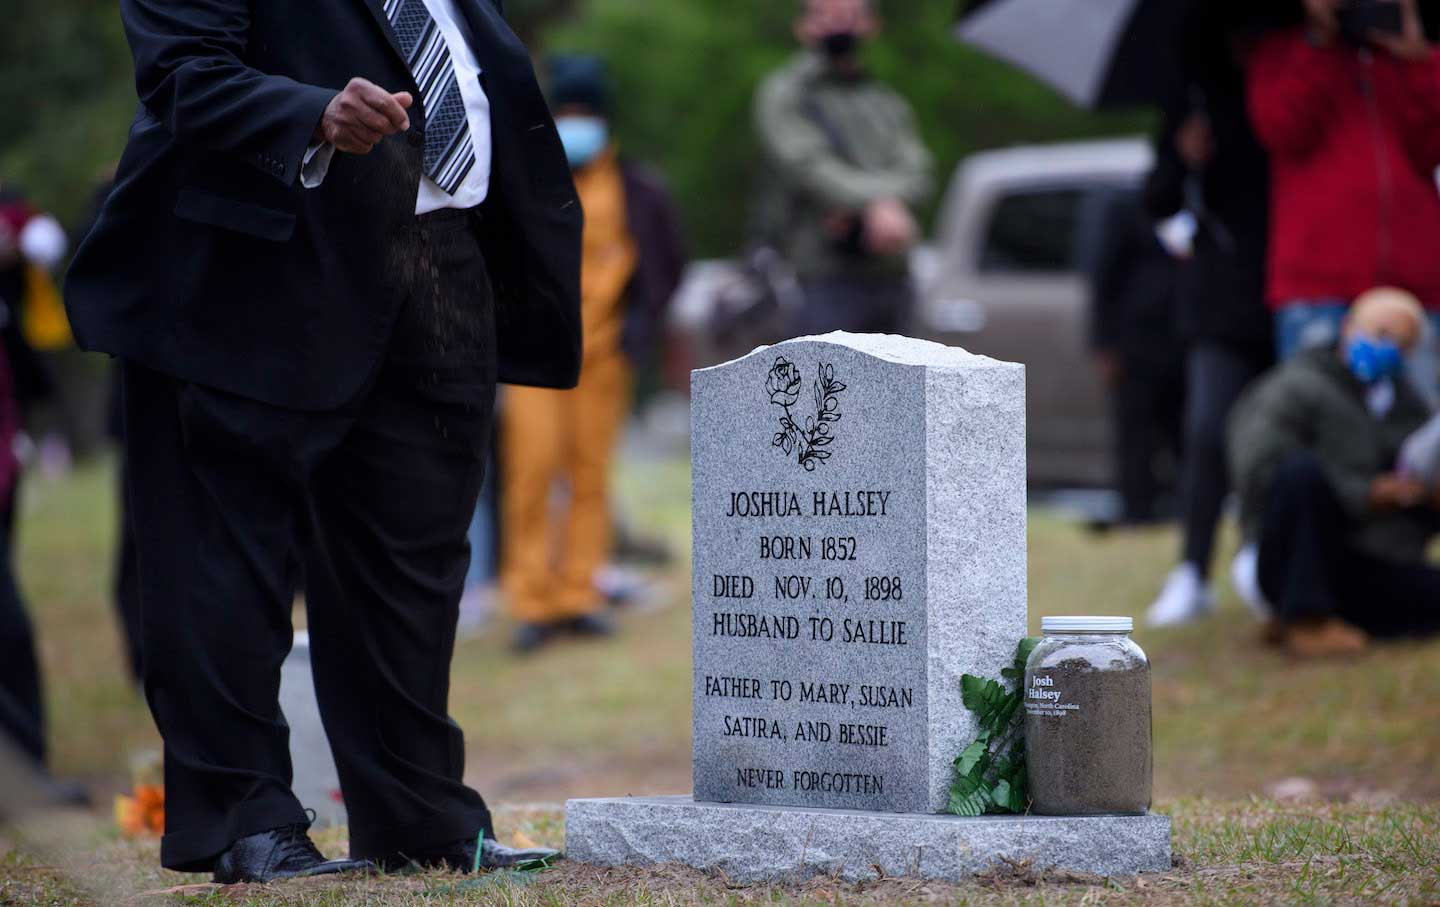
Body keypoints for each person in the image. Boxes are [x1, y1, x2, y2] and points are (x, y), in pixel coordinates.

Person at [64, 0, 576, 883]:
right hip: (256, 268)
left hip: (440, 259)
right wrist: (313, 113)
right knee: (223, 556)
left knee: (412, 560)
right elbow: (183, 70)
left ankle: (419, 818)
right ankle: (246, 822)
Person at [500, 55, 687, 653]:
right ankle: (532, 600)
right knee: (530, 474)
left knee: (589, 478)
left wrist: (637, 327)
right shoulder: (529, 175)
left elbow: (664, 265)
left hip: (604, 357)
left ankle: (580, 594)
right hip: (535, 353)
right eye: (568, 112)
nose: (576, 123)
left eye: (586, 113)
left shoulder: (635, 187)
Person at [1141, 1, 1278, 627]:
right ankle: (1193, 569)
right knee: (1206, 432)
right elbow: (1156, 197)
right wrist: (1183, 154)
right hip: (1221, 294)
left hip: (1293, 282)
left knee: (1278, 433)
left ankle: (1264, 559)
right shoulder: (1192, 95)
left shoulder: (1292, 75)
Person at [1229, 288, 1440, 658]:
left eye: (1401, 344)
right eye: (1381, 334)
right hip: (1293, 557)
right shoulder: (1294, 386)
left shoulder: (1411, 407)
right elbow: (1258, 470)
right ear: (1347, 327)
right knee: (1299, 473)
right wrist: (1367, 494)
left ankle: (1338, 619)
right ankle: (1304, 618)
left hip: (1370, 559)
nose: (1388, 348)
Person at [1248, 0, 1440, 398]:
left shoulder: (1395, 59)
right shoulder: (1280, 53)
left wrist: (1420, 58)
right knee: (1325, 420)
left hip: (1413, 288)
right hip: (1321, 288)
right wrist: (1319, 40)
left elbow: (1429, 148)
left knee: (1420, 431)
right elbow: (1282, 128)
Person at [753, 0, 933, 337]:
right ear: (803, 25)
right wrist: (878, 203)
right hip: (822, 274)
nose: (838, 26)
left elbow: (917, 170)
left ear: (870, 24)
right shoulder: (788, 94)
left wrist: (884, 206)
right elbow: (806, 164)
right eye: (825, 15)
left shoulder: (884, 100)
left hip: (891, 270)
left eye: (848, 15)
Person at [1088, 189, 1185, 527]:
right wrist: (1104, 344)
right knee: (1135, 434)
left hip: (1185, 343)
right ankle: (1136, 510)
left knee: (1184, 433)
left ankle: (1185, 507)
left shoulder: (1203, 204)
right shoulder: (1128, 208)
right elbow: (1103, 277)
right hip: (1136, 344)